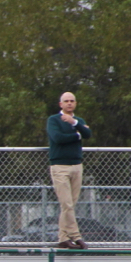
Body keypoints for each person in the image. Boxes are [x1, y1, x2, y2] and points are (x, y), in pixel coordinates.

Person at [47, 91, 92, 249]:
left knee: (71, 204)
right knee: (66, 204)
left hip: (76, 166)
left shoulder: (78, 121)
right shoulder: (53, 120)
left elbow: (88, 134)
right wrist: (77, 135)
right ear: (61, 104)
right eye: (66, 101)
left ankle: (63, 238)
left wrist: (75, 124)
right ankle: (76, 236)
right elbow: (57, 138)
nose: (69, 103)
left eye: (72, 101)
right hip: (60, 166)